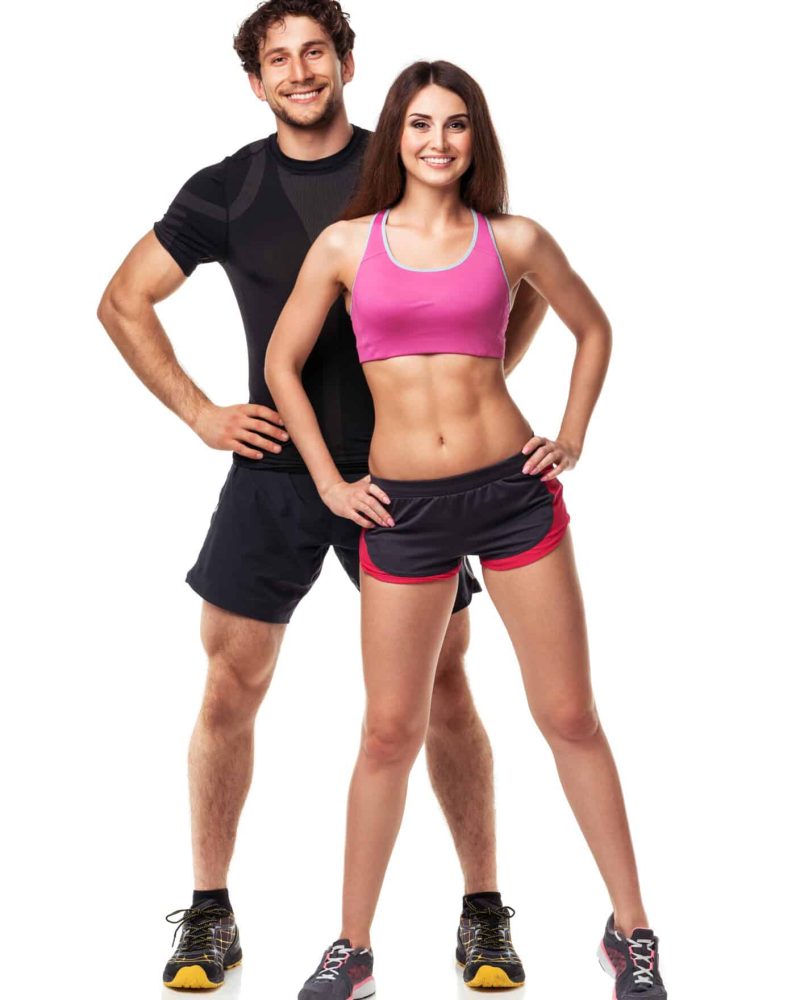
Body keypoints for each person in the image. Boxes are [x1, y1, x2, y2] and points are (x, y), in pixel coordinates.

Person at [96, 1, 548, 991]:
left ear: (346, 63)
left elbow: (519, 273)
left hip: (404, 482)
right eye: (276, 60)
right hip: (276, 474)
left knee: (443, 687)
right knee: (231, 683)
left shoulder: (403, 166)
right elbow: (122, 300)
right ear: (254, 83)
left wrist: (483, 387)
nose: (298, 72)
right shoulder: (226, 189)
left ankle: (481, 909)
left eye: (315, 53)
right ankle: (209, 912)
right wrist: (199, 412)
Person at [266, 60, 668, 1000]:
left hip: (512, 493)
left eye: (455, 126)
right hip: (401, 511)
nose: (437, 142)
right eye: (418, 125)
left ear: (474, 139)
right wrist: (331, 480)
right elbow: (283, 366)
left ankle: (634, 930)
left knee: (569, 715)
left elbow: (594, 328)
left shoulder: (514, 239)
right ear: (396, 136)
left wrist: (570, 435)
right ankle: (352, 949)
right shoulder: (344, 244)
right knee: (388, 732)